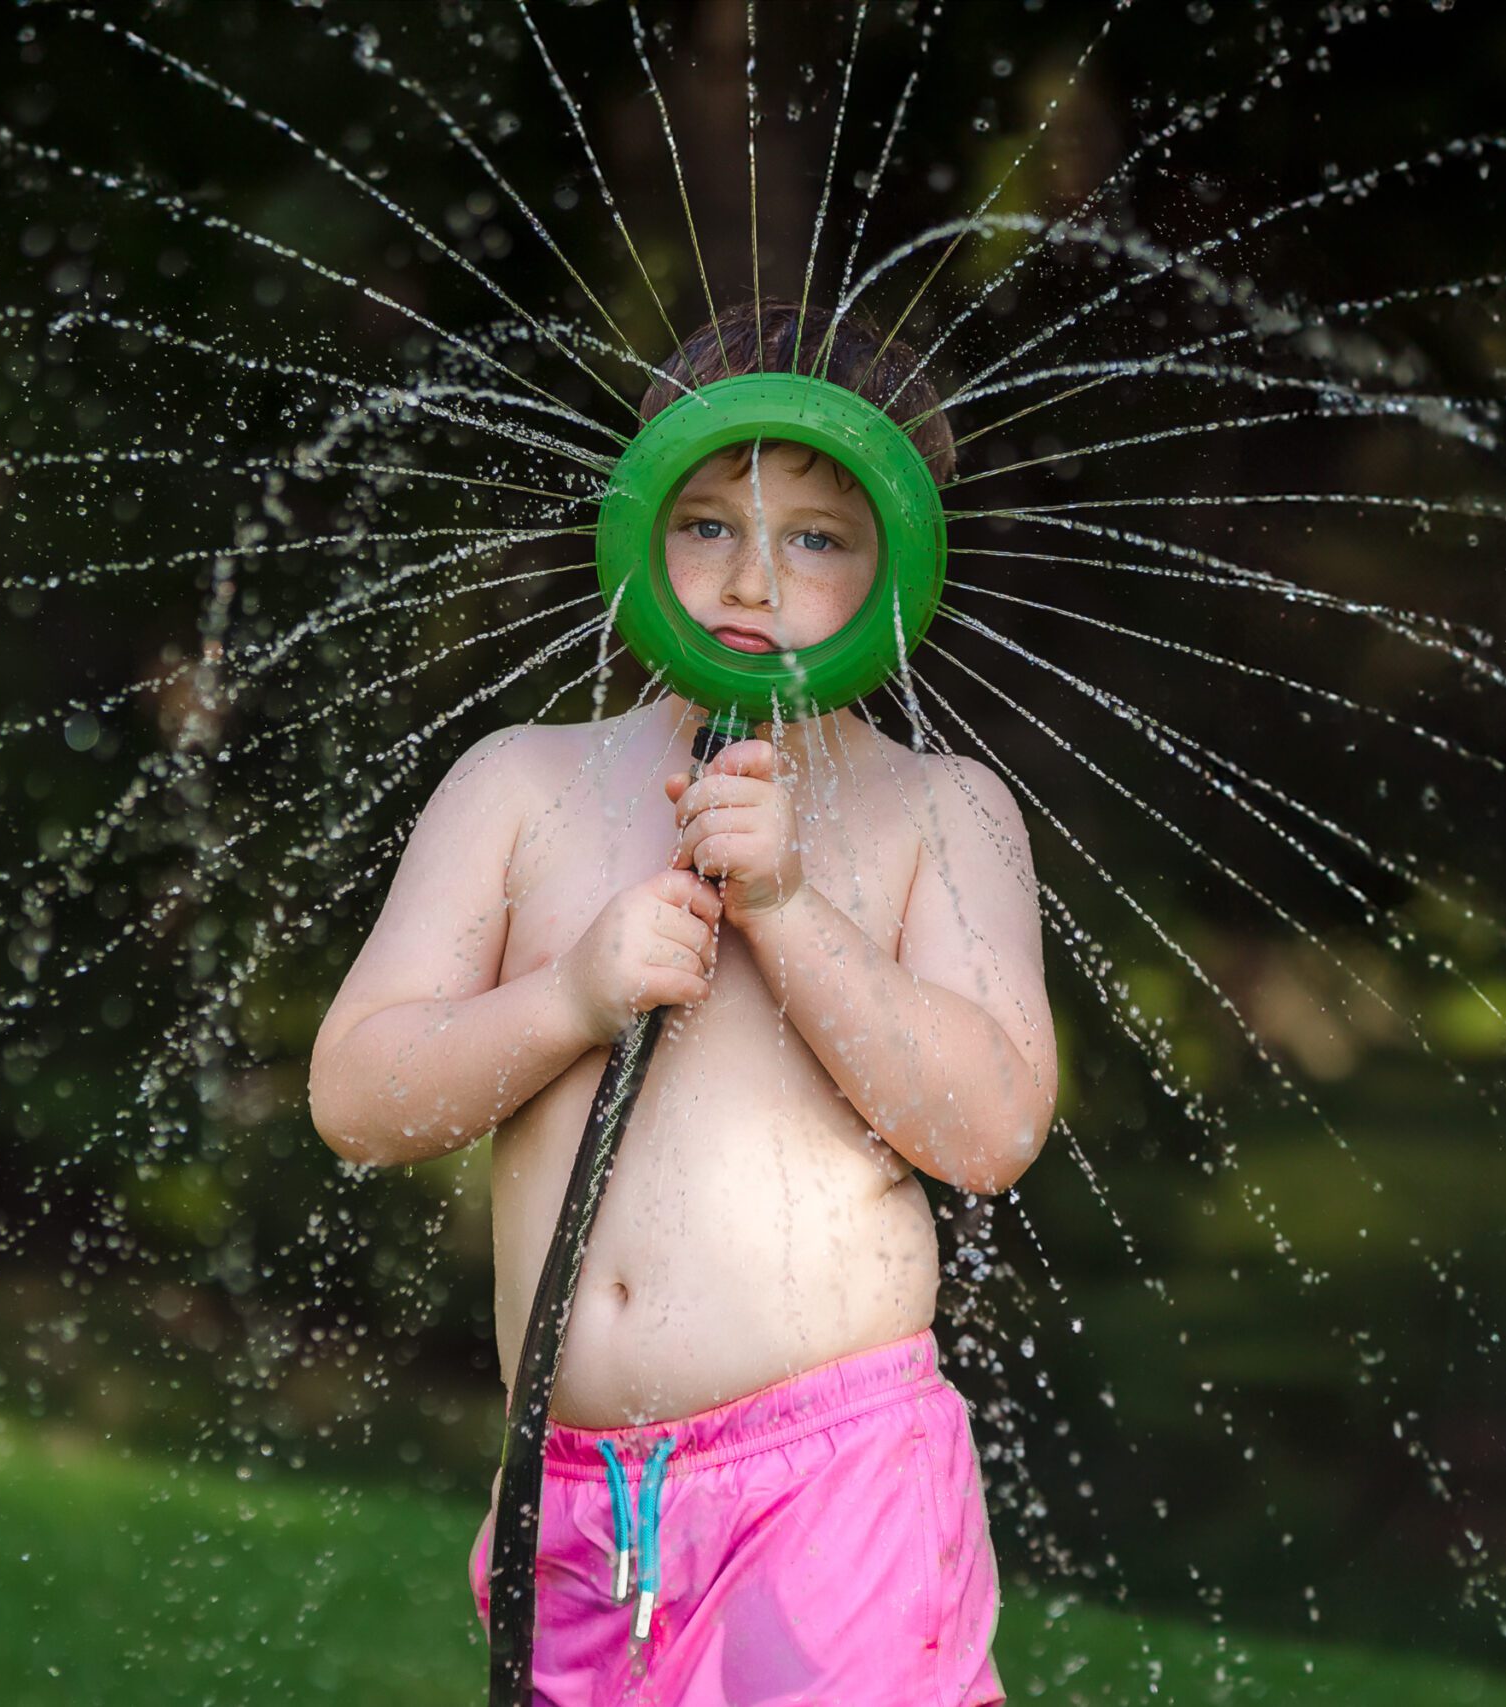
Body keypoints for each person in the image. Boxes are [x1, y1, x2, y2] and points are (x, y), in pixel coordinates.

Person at [307, 299, 1055, 1706]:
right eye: (708, 521)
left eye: (818, 539)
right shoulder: (523, 786)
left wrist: (787, 909)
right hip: (575, 1498)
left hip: (836, 1477)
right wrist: (573, 993)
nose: (752, 581)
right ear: (637, 527)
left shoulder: (941, 813)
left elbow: (993, 1127)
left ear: (906, 564)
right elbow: (358, 1095)